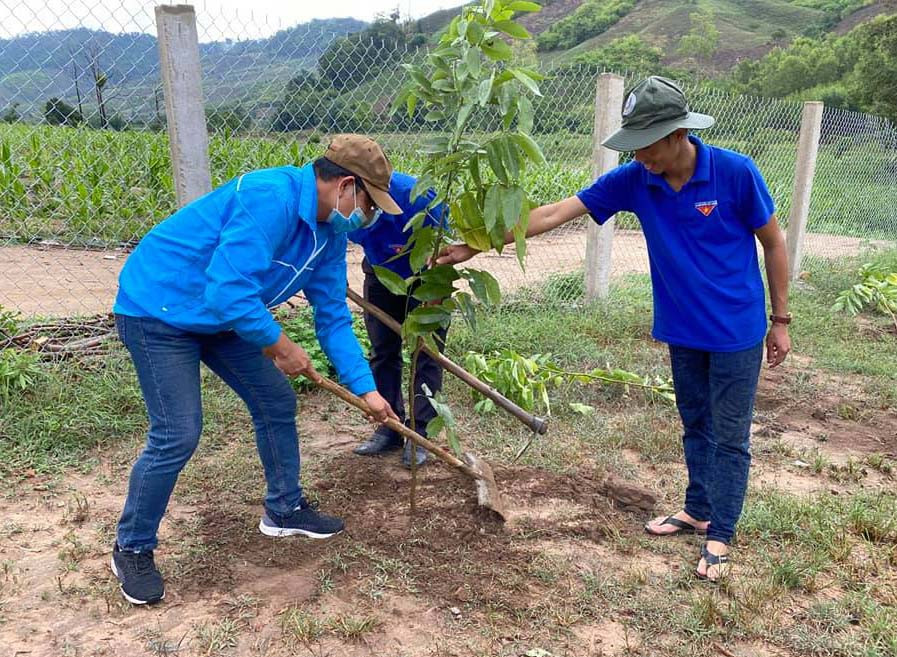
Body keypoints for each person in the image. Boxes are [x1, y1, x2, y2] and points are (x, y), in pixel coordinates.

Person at [437, 76, 791, 582]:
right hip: (683, 330)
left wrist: (780, 320)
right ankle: (698, 510)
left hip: (737, 331)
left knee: (729, 437)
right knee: (695, 424)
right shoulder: (634, 180)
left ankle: (721, 534)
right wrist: (478, 243)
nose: (639, 155)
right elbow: (559, 211)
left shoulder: (735, 173)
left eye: (645, 145)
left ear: (676, 135)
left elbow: (774, 244)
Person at [110, 134, 401, 605]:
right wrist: (280, 345)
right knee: (178, 433)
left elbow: (331, 316)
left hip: (223, 317)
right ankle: (133, 547)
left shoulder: (329, 232)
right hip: (158, 309)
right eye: (368, 202)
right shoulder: (270, 197)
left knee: (275, 401)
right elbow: (227, 290)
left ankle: (284, 510)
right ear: (346, 185)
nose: (367, 215)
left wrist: (366, 390)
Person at [347, 172, 449, 468]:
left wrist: (435, 294)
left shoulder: (420, 198)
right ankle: (390, 428)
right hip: (380, 273)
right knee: (383, 350)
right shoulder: (339, 203)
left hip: (427, 275)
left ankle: (419, 434)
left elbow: (444, 248)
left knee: (426, 353)